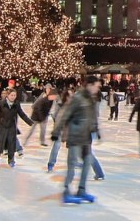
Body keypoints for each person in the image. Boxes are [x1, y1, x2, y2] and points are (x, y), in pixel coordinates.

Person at [51, 77, 102, 205]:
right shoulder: (78, 97)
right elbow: (65, 115)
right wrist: (56, 132)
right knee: (72, 165)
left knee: (87, 163)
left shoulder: (91, 99)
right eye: (96, 86)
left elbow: (92, 117)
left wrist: (97, 131)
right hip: (75, 136)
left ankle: (81, 190)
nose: (98, 88)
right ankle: (66, 191)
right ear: (89, 85)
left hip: (86, 137)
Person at [0, 88, 33, 169]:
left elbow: (22, 114)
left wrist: (30, 122)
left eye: (14, 95)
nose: (13, 97)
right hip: (1, 127)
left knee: (11, 145)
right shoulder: (1, 103)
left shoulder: (16, 104)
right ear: (7, 95)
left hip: (11, 127)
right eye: (11, 95)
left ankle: (11, 160)